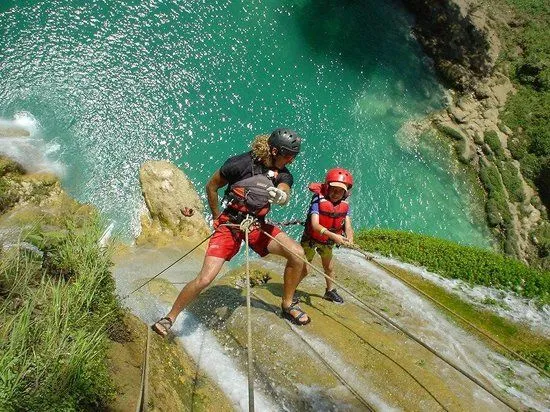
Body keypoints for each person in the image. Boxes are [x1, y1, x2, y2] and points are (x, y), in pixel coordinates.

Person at [152, 128, 311, 336]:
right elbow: (212, 186)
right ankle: (169, 317)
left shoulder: (283, 172)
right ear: (273, 151)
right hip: (230, 225)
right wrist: (217, 216)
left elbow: (285, 185)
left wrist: (282, 195)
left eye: (294, 156)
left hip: (257, 226)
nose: (291, 161)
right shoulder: (239, 164)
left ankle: (288, 304)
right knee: (205, 278)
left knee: (298, 255)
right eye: (288, 156)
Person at [299, 168, 354, 304]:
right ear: (327, 187)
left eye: (340, 191)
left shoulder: (344, 205)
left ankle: (330, 291)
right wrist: (334, 236)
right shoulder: (318, 201)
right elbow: (315, 225)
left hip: (327, 242)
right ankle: (291, 288)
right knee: (304, 268)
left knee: (329, 267)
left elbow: (348, 225)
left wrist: (350, 238)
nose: (336, 194)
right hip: (311, 240)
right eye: (333, 189)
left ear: (345, 193)